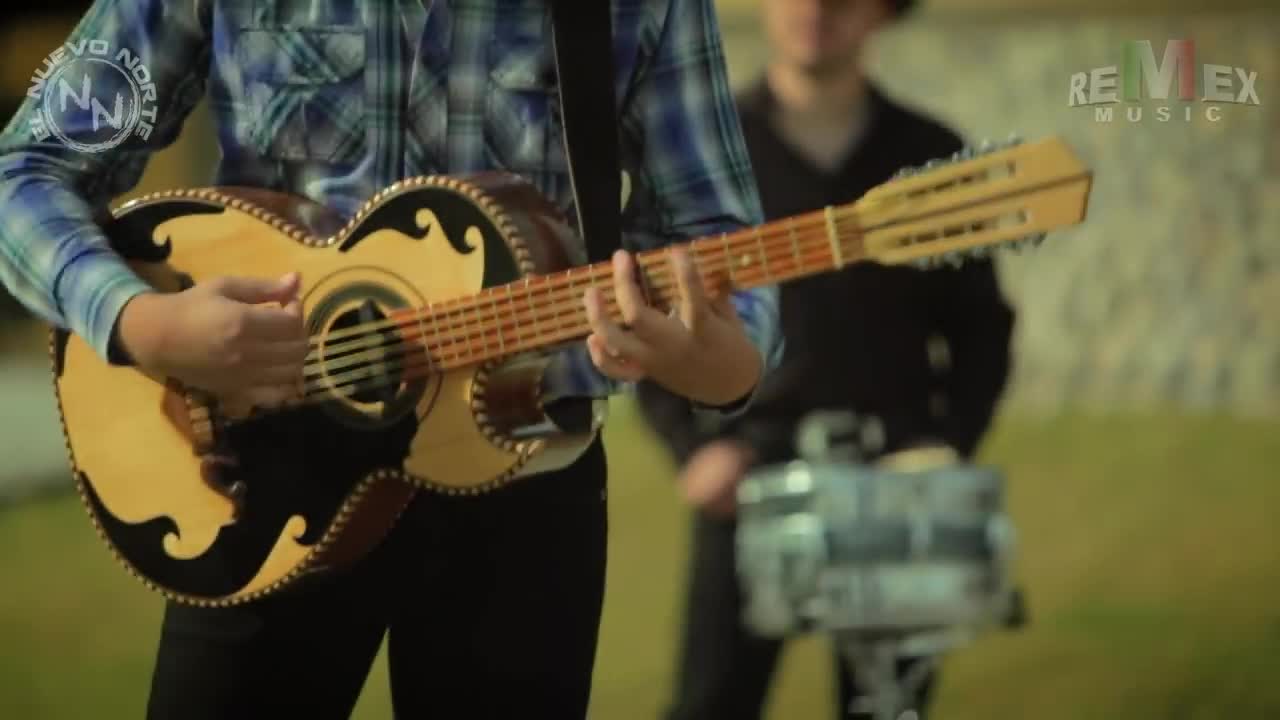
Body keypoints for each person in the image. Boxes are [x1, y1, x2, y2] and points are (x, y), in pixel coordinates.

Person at [0, 1, 783, 718]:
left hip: (526, 490)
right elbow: (26, 170)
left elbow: (715, 238)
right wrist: (141, 321)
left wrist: (716, 365)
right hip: (256, 482)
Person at [636, 0, 1017, 717]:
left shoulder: (929, 154)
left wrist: (946, 442)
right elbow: (651, 316)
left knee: (887, 709)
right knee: (711, 704)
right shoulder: (708, 157)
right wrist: (692, 448)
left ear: (882, 13)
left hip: (898, 483)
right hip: (749, 474)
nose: (815, 11)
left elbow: (982, 329)